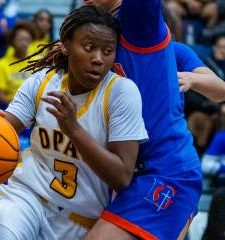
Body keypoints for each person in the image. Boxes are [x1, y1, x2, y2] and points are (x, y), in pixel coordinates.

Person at [0, 5, 148, 239]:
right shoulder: (42, 82)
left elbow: (122, 177)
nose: (98, 58)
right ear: (65, 45)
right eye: (89, 48)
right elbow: (5, 128)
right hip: (26, 196)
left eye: (108, 51)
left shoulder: (121, 93)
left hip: (80, 218)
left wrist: (74, 130)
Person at [76, 0, 224, 239]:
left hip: (161, 171)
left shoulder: (154, 36)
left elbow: (221, 90)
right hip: (118, 172)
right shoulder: (99, 46)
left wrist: (192, 79)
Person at [0, 22, 35, 107]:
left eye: (27, 39)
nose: (24, 43)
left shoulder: (39, 61)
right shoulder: (1, 64)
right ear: (12, 41)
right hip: (13, 108)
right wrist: (21, 106)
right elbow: (1, 96)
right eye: (20, 39)